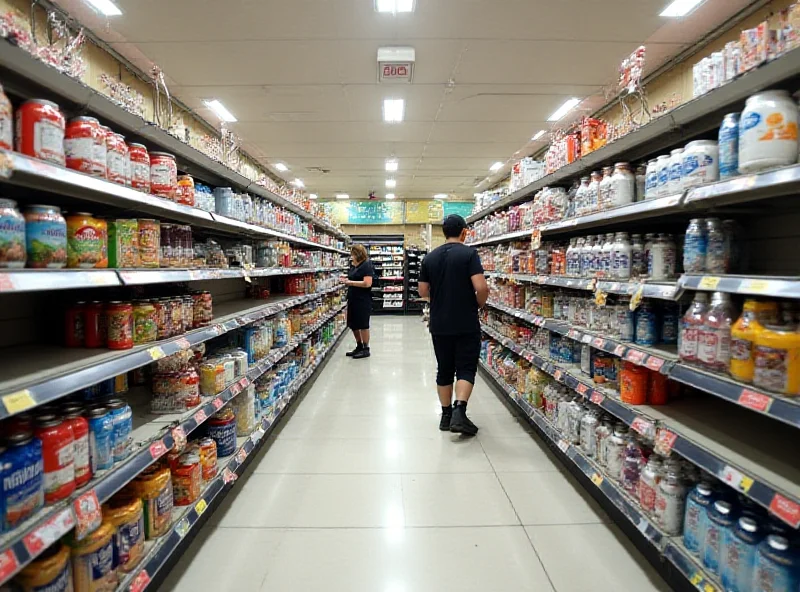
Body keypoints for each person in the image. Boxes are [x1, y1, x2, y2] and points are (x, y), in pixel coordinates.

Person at [418, 215, 489, 435]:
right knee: (466, 368)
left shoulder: (429, 258)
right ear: (464, 232)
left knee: (444, 369)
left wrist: (440, 300)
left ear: (443, 232)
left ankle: (446, 415)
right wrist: (478, 303)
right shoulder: (469, 254)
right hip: (466, 321)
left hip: (439, 323)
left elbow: (422, 292)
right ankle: (460, 410)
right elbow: (481, 287)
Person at [342, 244, 374, 359]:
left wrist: (349, 282)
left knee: (363, 324)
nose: (351, 256)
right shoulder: (355, 266)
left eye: (352, 254)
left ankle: (366, 349)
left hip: (362, 300)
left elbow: (367, 283)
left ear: (358, 254)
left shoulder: (367, 265)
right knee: (353, 324)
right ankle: (359, 346)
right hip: (353, 299)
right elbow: (353, 277)